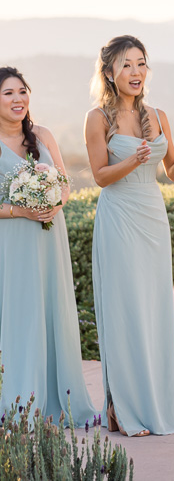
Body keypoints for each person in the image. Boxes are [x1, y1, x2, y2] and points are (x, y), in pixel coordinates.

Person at [84, 35, 174, 437]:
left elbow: (171, 171)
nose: (136, 72)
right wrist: (132, 160)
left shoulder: (157, 115)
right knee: (124, 309)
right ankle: (122, 406)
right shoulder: (97, 119)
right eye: (126, 65)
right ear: (110, 72)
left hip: (152, 218)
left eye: (141, 64)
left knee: (153, 310)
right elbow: (101, 177)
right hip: (118, 217)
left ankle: (154, 405)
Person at [0, 67, 99, 426]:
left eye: (22, 91)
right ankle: (17, 400)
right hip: (11, 242)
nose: (18, 99)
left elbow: (64, 181)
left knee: (49, 311)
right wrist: (21, 210)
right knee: (18, 314)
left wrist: (57, 202)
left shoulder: (42, 134)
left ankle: (56, 398)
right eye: (8, 93)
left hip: (47, 236)